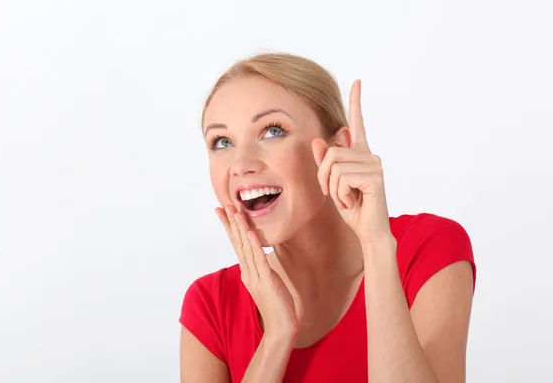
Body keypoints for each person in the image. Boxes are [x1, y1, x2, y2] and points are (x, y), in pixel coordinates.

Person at [179, 52, 476, 383]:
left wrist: (376, 245)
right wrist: (276, 337)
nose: (241, 163)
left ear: (337, 150)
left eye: (273, 131)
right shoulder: (210, 305)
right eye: (222, 141)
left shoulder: (428, 249)